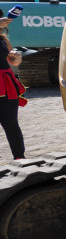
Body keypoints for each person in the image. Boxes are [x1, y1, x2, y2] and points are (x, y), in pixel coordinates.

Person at [0, 16, 27, 160]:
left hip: (6, 84)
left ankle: (19, 158)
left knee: (11, 124)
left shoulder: (3, 39)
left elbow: (14, 62)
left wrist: (17, 57)